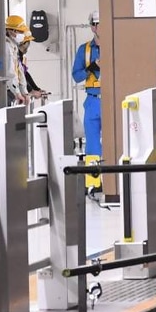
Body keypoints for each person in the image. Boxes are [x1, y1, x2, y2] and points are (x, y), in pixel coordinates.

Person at [71, 11, 102, 196]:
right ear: (92, 26)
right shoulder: (85, 50)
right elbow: (76, 75)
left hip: (110, 100)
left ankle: (110, 181)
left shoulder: (114, 45)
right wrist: (90, 68)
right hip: (92, 100)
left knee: (110, 142)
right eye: (97, 24)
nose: (100, 27)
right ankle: (93, 182)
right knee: (92, 145)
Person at [4, 14, 29, 106]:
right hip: (8, 90)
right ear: (12, 31)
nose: (22, 35)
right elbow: (10, 71)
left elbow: (19, 70)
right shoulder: (6, 46)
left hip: (14, 89)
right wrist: (17, 92)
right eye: (20, 32)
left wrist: (24, 91)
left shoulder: (13, 46)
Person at [19, 33, 48, 104]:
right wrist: (31, 90)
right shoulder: (15, 55)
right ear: (23, 43)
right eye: (28, 43)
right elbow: (19, 75)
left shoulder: (19, 55)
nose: (28, 46)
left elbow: (25, 74)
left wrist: (36, 89)